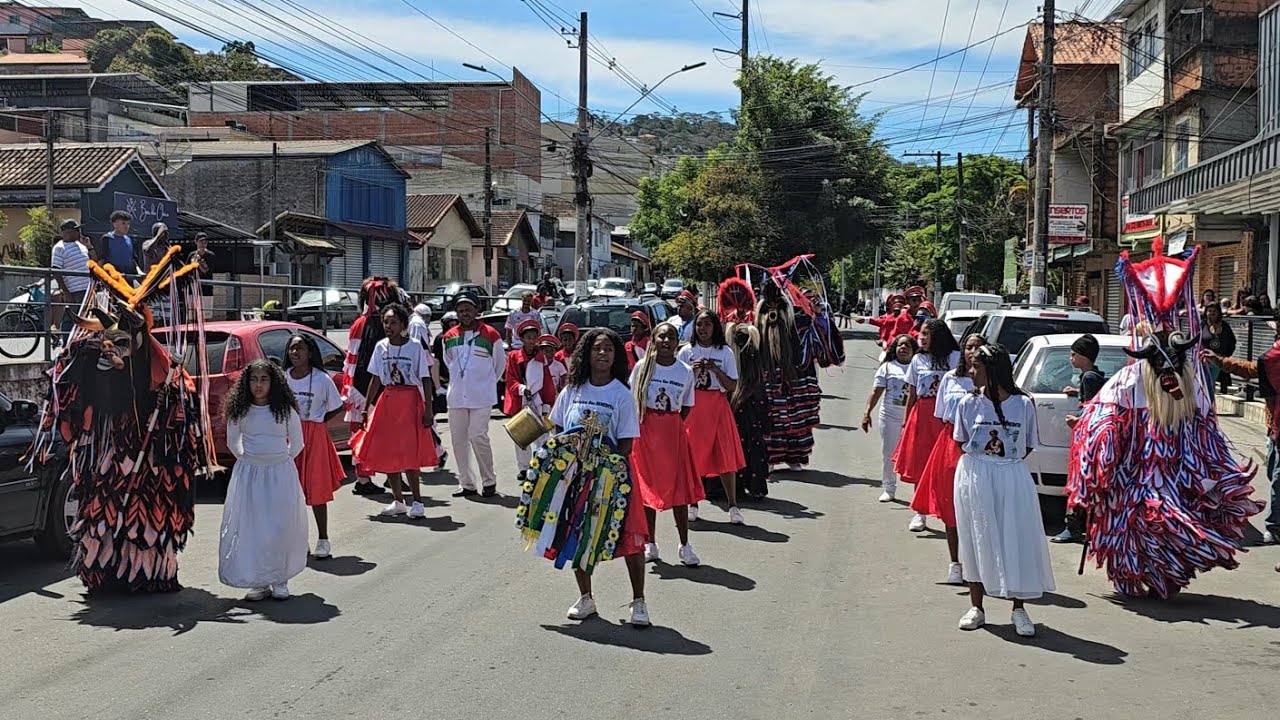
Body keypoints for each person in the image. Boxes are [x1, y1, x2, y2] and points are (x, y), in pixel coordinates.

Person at [1075, 239, 1263, 597]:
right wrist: (1100, 449)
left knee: (1167, 519)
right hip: (1135, 475)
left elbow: (1209, 440)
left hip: (1175, 475)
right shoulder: (1130, 382)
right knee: (1136, 520)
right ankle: (1140, 571)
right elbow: (1101, 422)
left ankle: (1166, 571)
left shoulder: (1189, 389)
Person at [30, 252, 207, 593]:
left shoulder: (163, 368)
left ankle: (151, 574)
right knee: (102, 512)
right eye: (109, 343)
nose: (115, 351)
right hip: (108, 451)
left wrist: (165, 404)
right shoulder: (92, 360)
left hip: (151, 455)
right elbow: (81, 404)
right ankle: (105, 573)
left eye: (123, 344)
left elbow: (181, 412)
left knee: (151, 515)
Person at [525, 328, 649, 627]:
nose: (603, 353)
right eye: (597, 349)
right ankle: (586, 597)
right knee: (578, 536)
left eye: (608, 349)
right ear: (586, 354)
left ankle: (639, 601)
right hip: (575, 478)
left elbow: (627, 442)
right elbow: (557, 429)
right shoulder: (573, 390)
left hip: (612, 477)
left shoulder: (621, 393)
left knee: (630, 539)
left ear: (616, 355)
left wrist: (606, 470)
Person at [953, 344, 1055, 636]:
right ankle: (977, 606)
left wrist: (1003, 465)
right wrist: (986, 464)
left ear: (993, 370)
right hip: (975, 473)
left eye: (976, 367)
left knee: (1015, 537)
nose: (970, 373)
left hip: (1011, 474)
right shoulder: (968, 403)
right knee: (975, 537)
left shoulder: (1023, 405)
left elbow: (1028, 444)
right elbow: (960, 439)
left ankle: (1019, 609)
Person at [218, 360, 308, 601]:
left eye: (264, 379)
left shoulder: (285, 411)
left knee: (279, 526)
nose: (258, 385)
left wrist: (279, 461)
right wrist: (249, 461)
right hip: (250, 474)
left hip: (280, 474)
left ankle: (280, 579)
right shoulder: (241, 410)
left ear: (274, 383)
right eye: (254, 380)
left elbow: (297, 443)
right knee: (254, 527)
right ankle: (258, 580)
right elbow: (232, 441)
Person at [353, 303, 439, 517]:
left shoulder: (415, 347)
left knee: (408, 453)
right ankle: (398, 500)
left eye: (393, 322)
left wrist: (428, 409)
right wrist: (366, 408)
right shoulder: (381, 346)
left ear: (403, 324)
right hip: (388, 401)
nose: (388, 326)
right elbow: (375, 379)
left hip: (409, 401)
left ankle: (417, 502)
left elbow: (426, 379)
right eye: (386, 322)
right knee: (388, 451)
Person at [912, 332, 984, 583]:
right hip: (950, 443)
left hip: (979, 446)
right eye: (969, 347)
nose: (973, 352)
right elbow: (941, 414)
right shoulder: (950, 379)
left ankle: (980, 565)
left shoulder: (990, 383)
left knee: (976, 507)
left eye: (978, 347)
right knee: (950, 505)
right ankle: (955, 563)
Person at [632, 321, 704, 566]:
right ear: (653, 339)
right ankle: (650, 542)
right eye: (661, 336)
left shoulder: (684, 371)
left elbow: (687, 405)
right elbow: (633, 400)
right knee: (646, 490)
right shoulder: (643, 367)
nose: (666, 341)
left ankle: (685, 545)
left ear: (677, 342)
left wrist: (669, 424)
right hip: (645, 433)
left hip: (673, 435)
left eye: (671, 337)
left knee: (679, 491)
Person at [1213, 308, 1280, 544]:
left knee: (1278, 479)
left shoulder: (1274, 357)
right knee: (1275, 475)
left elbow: (1257, 368)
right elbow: (1252, 369)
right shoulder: (1273, 356)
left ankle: (1275, 527)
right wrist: (1219, 361)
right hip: (1275, 429)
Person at [678, 310, 746, 525]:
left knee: (725, 456)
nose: (703, 329)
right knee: (693, 456)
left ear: (715, 327)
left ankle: (733, 505)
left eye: (708, 324)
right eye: (699, 324)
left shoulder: (724, 352)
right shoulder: (686, 352)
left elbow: (733, 385)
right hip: (693, 407)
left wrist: (715, 370)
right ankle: (693, 503)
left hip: (717, 406)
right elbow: (678, 385)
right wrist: (692, 371)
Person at [893, 318, 961, 532]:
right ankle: (920, 513)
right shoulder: (917, 360)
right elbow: (912, 392)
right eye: (920, 334)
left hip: (946, 418)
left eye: (925, 333)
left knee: (947, 465)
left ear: (937, 335)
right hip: (922, 415)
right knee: (921, 464)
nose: (920, 338)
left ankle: (950, 511)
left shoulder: (954, 358)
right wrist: (906, 421)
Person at [283, 332, 346, 559]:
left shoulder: (322, 379)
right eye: (292, 348)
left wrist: (319, 421)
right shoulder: (283, 377)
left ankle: (323, 539)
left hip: (314, 435)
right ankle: (299, 539)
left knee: (317, 488)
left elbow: (337, 406)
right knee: (292, 491)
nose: (295, 352)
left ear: (310, 353)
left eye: (300, 348)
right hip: (289, 436)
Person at [340, 277, 403, 496]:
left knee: (377, 433)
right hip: (373, 389)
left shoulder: (361, 323)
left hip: (367, 388)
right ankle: (373, 477)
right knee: (380, 434)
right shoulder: (380, 324)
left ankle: (377, 477)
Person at [441, 292, 506, 498]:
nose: (464, 313)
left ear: (477, 311)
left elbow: (499, 366)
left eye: (468, 309)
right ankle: (467, 483)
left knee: (478, 436)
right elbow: (448, 362)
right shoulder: (449, 336)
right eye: (460, 310)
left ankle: (489, 481)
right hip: (457, 397)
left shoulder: (491, 334)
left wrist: (484, 384)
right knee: (459, 440)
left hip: (482, 397)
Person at [757, 282, 822, 471]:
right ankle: (769, 458)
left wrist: (814, 312)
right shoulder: (758, 320)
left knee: (795, 418)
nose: (773, 309)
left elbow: (810, 328)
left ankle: (795, 458)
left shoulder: (795, 319)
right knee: (770, 418)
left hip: (793, 376)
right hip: (768, 375)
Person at [1052, 334, 1106, 545]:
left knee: (1077, 481)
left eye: (1074, 354)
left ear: (1084, 357)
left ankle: (1073, 527)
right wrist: (1077, 392)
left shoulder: (1089, 378)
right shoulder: (1094, 376)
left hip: (1085, 438)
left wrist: (1078, 421)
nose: (1071, 358)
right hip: (1088, 437)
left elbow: (1092, 408)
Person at [863, 334, 917, 502]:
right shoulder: (887, 368)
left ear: (914, 350)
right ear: (895, 348)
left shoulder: (920, 368)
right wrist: (867, 413)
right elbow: (876, 391)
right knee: (888, 453)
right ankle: (889, 488)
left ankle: (918, 494)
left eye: (907, 345)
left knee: (915, 456)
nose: (903, 348)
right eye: (900, 345)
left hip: (914, 419)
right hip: (890, 417)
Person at [503, 318, 551, 474]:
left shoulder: (541, 358)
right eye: (528, 337)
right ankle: (524, 468)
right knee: (521, 435)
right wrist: (522, 388)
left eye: (534, 337)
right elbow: (510, 379)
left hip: (538, 401)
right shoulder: (513, 356)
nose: (531, 341)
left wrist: (547, 404)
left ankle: (540, 464)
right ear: (522, 339)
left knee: (542, 435)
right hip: (520, 400)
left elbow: (547, 382)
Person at [730, 322, 771, 499]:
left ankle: (737, 486)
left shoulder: (742, 356)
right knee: (751, 447)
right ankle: (750, 485)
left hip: (744, 409)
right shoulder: (751, 357)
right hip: (748, 410)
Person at [51, 219, 93, 334]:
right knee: (72, 319)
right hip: (74, 290)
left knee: (86, 319)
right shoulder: (60, 248)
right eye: (76, 230)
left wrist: (89, 247)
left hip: (87, 289)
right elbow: (56, 271)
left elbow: (94, 262)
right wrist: (65, 292)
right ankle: (66, 345)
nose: (79, 232)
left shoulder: (81, 245)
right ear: (68, 232)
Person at [1201, 302, 1236, 397]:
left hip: (1217, 360)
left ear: (1218, 313)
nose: (1212, 313)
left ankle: (1209, 407)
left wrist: (1225, 356)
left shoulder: (1224, 326)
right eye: (1209, 311)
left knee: (1210, 383)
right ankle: (1202, 406)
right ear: (1206, 312)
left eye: (1214, 311)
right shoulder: (1202, 325)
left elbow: (1232, 342)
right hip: (1203, 359)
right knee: (1203, 383)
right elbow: (1193, 339)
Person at [95, 210, 142, 276]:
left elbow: (133, 260)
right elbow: (101, 260)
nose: (126, 226)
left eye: (128, 224)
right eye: (123, 223)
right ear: (114, 224)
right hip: (112, 278)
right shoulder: (107, 239)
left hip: (128, 278)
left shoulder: (129, 240)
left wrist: (139, 272)